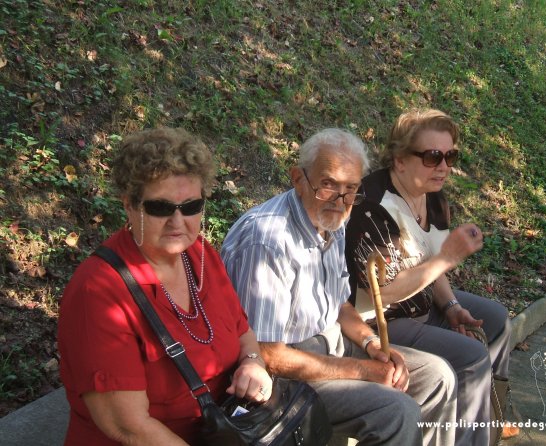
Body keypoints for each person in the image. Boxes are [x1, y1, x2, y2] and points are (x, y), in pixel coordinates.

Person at [221, 128, 456, 446]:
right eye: (328, 185)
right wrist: (363, 370)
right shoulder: (268, 240)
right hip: (285, 372)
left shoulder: (334, 218)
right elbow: (267, 354)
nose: (340, 200)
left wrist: (374, 346)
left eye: (351, 189)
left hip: (331, 344)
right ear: (298, 179)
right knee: (396, 411)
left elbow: (340, 304)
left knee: (435, 376)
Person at [58, 127, 272, 446]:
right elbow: (129, 427)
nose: (177, 222)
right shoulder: (100, 290)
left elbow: (242, 330)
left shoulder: (200, 255)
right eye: (160, 208)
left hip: (223, 432)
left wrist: (253, 363)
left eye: (190, 207)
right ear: (129, 204)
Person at [345, 108, 518, 445]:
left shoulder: (432, 194)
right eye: (433, 156)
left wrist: (451, 306)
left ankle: (489, 420)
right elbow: (388, 293)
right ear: (399, 160)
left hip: (421, 303)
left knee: (496, 320)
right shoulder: (371, 206)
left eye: (450, 155)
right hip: (379, 320)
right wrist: (448, 257)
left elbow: (429, 259)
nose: (444, 167)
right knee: (470, 357)